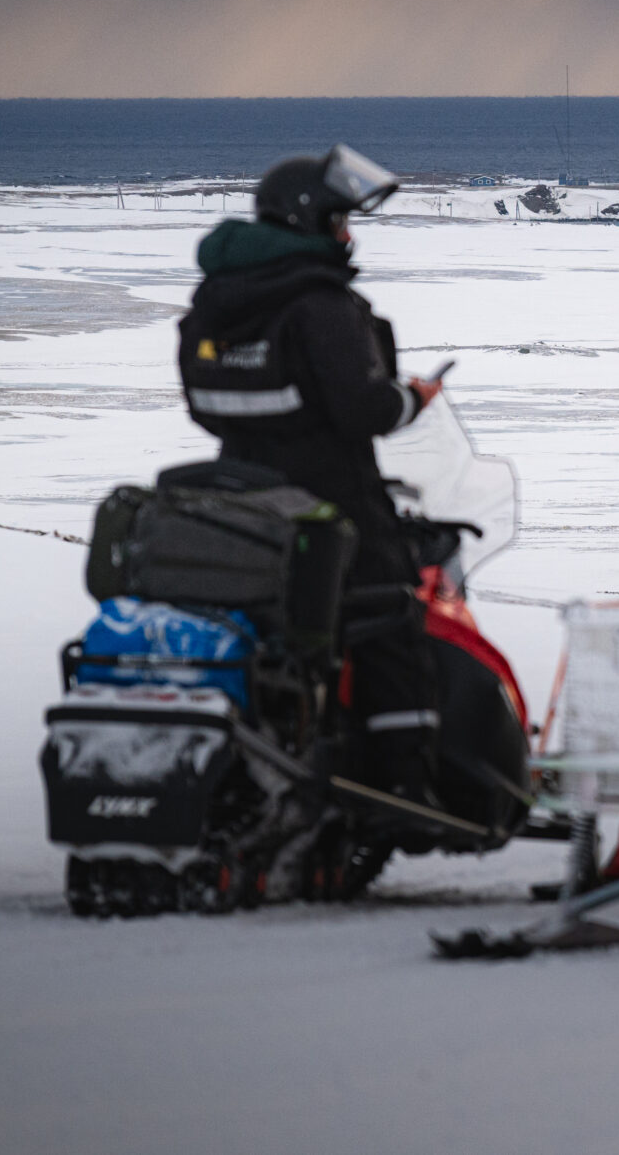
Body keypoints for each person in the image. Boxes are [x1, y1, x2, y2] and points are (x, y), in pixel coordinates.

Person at [175, 145, 449, 807]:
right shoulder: (321, 304)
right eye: (340, 222)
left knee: (275, 621)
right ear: (311, 221)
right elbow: (363, 409)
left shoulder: (219, 299)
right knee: (387, 614)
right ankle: (406, 786)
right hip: (332, 493)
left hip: (240, 489)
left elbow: (204, 403)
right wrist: (412, 397)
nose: (348, 236)